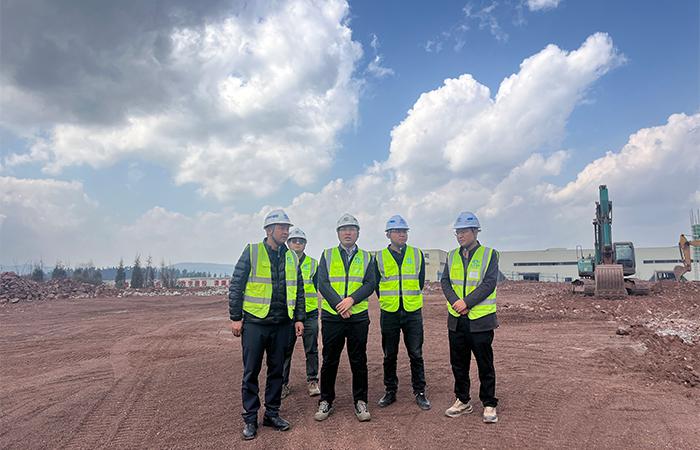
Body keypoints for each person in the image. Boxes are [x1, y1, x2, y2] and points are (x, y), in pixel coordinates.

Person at [228, 209, 306, 440]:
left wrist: (299, 318)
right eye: (281, 228)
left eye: (287, 228)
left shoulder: (292, 257)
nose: (286, 232)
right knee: (251, 372)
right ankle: (250, 418)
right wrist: (235, 317)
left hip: (282, 323)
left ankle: (272, 413)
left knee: (276, 372)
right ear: (269, 230)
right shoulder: (252, 251)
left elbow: (299, 289)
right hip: (255, 323)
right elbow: (236, 285)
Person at [314, 213, 376, 423]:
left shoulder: (367, 257)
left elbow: (370, 284)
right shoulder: (327, 254)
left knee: (358, 360)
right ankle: (326, 400)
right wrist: (340, 306)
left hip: (357, 317)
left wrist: (351, 300)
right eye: (343, 229)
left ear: (358, 233)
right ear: (338, 233)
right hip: (333, 317)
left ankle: (361, 400)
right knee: (330, 360)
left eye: (351, 229)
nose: (347, 232)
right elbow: (322, 283)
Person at [441, 211, 499, 424]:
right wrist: (456, 302)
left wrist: (466, 302)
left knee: (485, 363)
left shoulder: (489, 254)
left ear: (475, 231)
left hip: (480, 320)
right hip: (456, 320)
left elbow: (489, 283)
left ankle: (489, 403)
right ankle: (463, 400)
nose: (460, 235)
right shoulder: (451, 256)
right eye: (458, 232)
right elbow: (445, 282)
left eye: (464, 231)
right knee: (458, 363)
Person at [374, 215, 430, 411]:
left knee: (416, 353)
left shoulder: (416, 254)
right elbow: (377, 285)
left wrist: (407, 297)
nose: (402, 234)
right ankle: (390, 391)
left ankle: (420, 391)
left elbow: (420, 281)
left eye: (404, 231)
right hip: (389, 312)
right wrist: (389, 300)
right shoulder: (379, 257)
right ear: (388, 234)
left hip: (412, 311)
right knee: (390, 354)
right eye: (397, 231)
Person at [281, 227, 321, 398]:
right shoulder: (282, 262)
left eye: (301, 241)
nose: (297, 243)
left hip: (309, 312)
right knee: (284, 350)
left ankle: (312, 380)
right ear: (288, 243)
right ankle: (282, 383)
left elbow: (317, 286)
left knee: (311, 349)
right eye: (294, 240)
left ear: (305, 244)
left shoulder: (313, 264)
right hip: (288, 314)